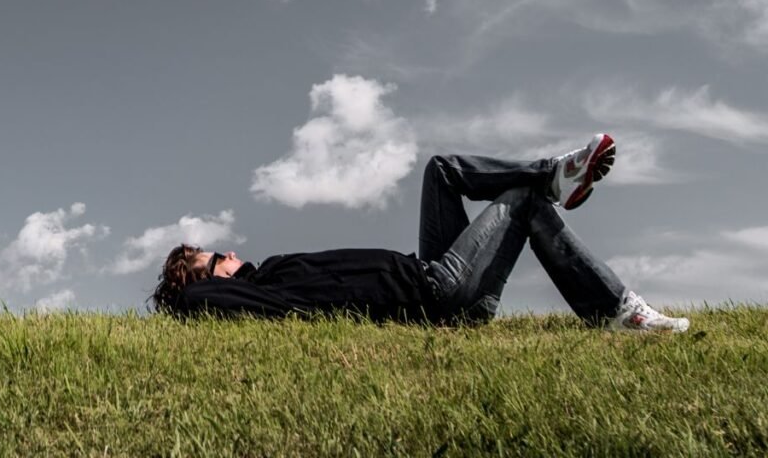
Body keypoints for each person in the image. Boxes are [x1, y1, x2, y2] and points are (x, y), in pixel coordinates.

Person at [151, 133, 689, 333]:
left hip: (427, 268)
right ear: (204, 282)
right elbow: (196, 301)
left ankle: (553, 174)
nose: (226, 251)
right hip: (436, 293)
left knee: (441, 169)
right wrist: (187, 281)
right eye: (213, 256)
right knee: (524, 204)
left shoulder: (270, 273)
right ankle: (621, 311)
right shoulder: (244, 296)